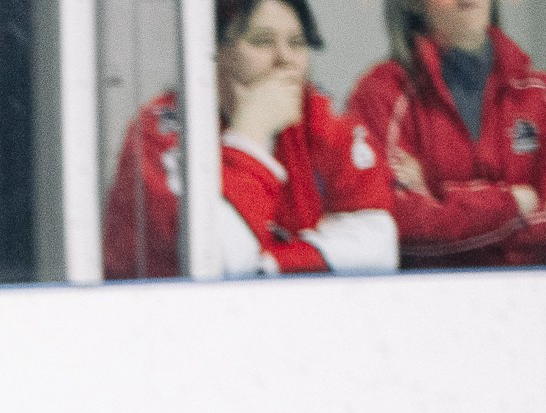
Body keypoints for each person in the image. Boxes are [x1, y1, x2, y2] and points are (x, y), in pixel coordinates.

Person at [105, 0, 399, 278]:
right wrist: (252, 133)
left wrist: (271, 265)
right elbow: (217, 263)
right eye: (261, 41)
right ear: (216, 51)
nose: (285, 59)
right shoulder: (161, 130)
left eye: (296, 43)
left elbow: (378, 247)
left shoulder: (317, 115)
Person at [347, 0, 546, 267]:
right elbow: (394, 224)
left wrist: (440, 203)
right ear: (413, 4)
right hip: (423, 301)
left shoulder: (538, 94)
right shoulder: (381, 95)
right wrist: (512, 204)